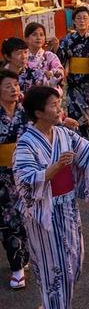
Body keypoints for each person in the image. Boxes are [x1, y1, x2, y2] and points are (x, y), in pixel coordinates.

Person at [14, 85, 89, 309]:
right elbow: (25, 178)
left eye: (58, 104)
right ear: (38, 112)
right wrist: (55, 167)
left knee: (74, 261)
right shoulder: (26, 142)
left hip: (67, 207)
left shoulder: (64, 134)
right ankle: (55, 307)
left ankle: (53, 304)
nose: (59, 109)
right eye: (53, 105)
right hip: (44, 214)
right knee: (54, 268)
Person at [56, 7, 89, 145]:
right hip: (75, 86)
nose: (82, 21)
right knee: (76, 115)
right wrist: (56, 47)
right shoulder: (68, 40)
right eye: (78, 18)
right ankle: (79, 143)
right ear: (73, 21)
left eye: (85, 18)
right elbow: (59, 60)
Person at [0, 69, 29, 290]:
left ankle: (25, 253)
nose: (14, 89)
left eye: (16, 85)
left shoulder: (26, 112)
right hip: (2, 177)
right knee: (8, 222)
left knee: (28, 218)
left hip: (26, 174)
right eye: (8, 85)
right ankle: (16, 267)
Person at [24, 22, 64, 93]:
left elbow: (60, 72)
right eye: (34, 35)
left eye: (41, 35)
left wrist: (53, 73)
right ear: (27, 38)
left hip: (47, 95)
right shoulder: (22, 57)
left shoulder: (50, 56)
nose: (39, 38)